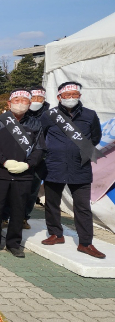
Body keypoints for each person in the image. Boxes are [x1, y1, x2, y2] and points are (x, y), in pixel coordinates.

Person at [41, 81, 104, 258]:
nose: (71, 98)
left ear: (80, 96)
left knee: (83, 207)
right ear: (59, 97)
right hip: (54, 165)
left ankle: (85, 243)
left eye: (74, 95)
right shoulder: (49, 115)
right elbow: (42, 136)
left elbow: (95, 137)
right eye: (66, 95)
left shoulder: (90, 115)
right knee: (52, 203)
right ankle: (56, 234)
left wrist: (79, 151)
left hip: (80, 166)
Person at [0, 88, 43, 257]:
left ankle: (14, 243)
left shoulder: (36, 124)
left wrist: (28, 164)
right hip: (0, 173)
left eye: (24, 101)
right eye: (16, 100)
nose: (20, 104)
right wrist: (4, 161)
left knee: (18, 210)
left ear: (30, 104)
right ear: (9, 103)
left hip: (24, 175)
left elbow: (40, 149)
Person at [21, 85, 50, 226]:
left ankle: (24, 217)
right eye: (33, 97)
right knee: (13, 188)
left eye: (40, 98)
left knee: (32, 190)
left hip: (39, 159)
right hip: (17, 157)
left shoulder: (51, 116)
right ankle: (5, 216)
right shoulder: (19, 112)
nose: (37, 100)